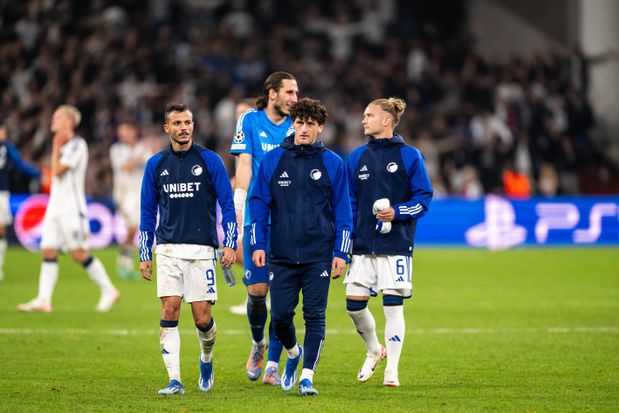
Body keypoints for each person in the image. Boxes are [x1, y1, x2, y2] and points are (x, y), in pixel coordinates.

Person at [249, 98, 352, 396]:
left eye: (310, 124)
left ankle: (307, 377)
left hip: (318, 255)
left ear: (320, 127)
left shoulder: (333, 162)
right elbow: (258, 204)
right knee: (280, 316)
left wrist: (341, 252)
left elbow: (343, 212)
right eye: (299, 123)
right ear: (292, 124)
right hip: (280, 255)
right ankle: (293, 353)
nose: (304, 129)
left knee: (315, 316)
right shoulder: (273, 160)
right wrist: (258, 244)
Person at [139, 103, 237, 395]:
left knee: (202, 319)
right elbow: (147, 212)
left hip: (202, 250)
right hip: (168, 249)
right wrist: (145, 253)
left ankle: (206, 358)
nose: (183, 128)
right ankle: (175, 379)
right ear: (166, 128)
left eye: (187, 122)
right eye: (177, 123)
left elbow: (227, 205)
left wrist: (230, 243)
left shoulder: (210, 160)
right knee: (169, 309)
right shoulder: (156, 164)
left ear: (193, 125)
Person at [344, 98, 433, 387]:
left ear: (386, 120)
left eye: (369, 115)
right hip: (363, 245)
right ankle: (374, 349)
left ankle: (392, 369)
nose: (363, 120)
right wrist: (348, 239)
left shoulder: (410, 155)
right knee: (353, 306)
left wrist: (398, 212)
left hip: (396, 244)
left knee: (393, 308)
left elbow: (423, 198)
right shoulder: (357, 157)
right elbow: (350, 202)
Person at [230, 72, 299, 385]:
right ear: (272, 93)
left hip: (288, 222)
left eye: (296, 93)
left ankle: (272, 363)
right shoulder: (250, 120)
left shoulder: (297, 124)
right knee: (257, 293)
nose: (294, 99)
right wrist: (239, 202)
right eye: (290, 92)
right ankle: (258, 343)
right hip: (257, 218)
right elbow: (244, 163)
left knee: (281, 298)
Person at [18, 105, 120, 313]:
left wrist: (56, 146)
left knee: (78, 253)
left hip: (71, 208)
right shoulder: (63, 146)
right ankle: (44, 300)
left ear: (69, 121)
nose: (53, 120)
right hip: (54, 206)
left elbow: (58, 171)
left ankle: (109, 290)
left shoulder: (77, 145)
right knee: (48, 250)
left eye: (58, 117)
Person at [110, 121, 151, 279]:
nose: (122, 134)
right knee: (133, 228)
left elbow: (151, 167)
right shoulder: (116, 149)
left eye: (125, 131)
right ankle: (124, 266)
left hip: (140, 194)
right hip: (124, 194)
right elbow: (126, 167)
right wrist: (141, 154)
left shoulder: (143, 148)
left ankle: (124, 264)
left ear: (134, 131)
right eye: (120, 131)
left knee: (134, 229)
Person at [0, 121, 41, 281]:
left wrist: (37, 173)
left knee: (1, 229)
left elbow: (20, 164)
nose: (3, 134)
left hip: (1, 193)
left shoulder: (6, 147)